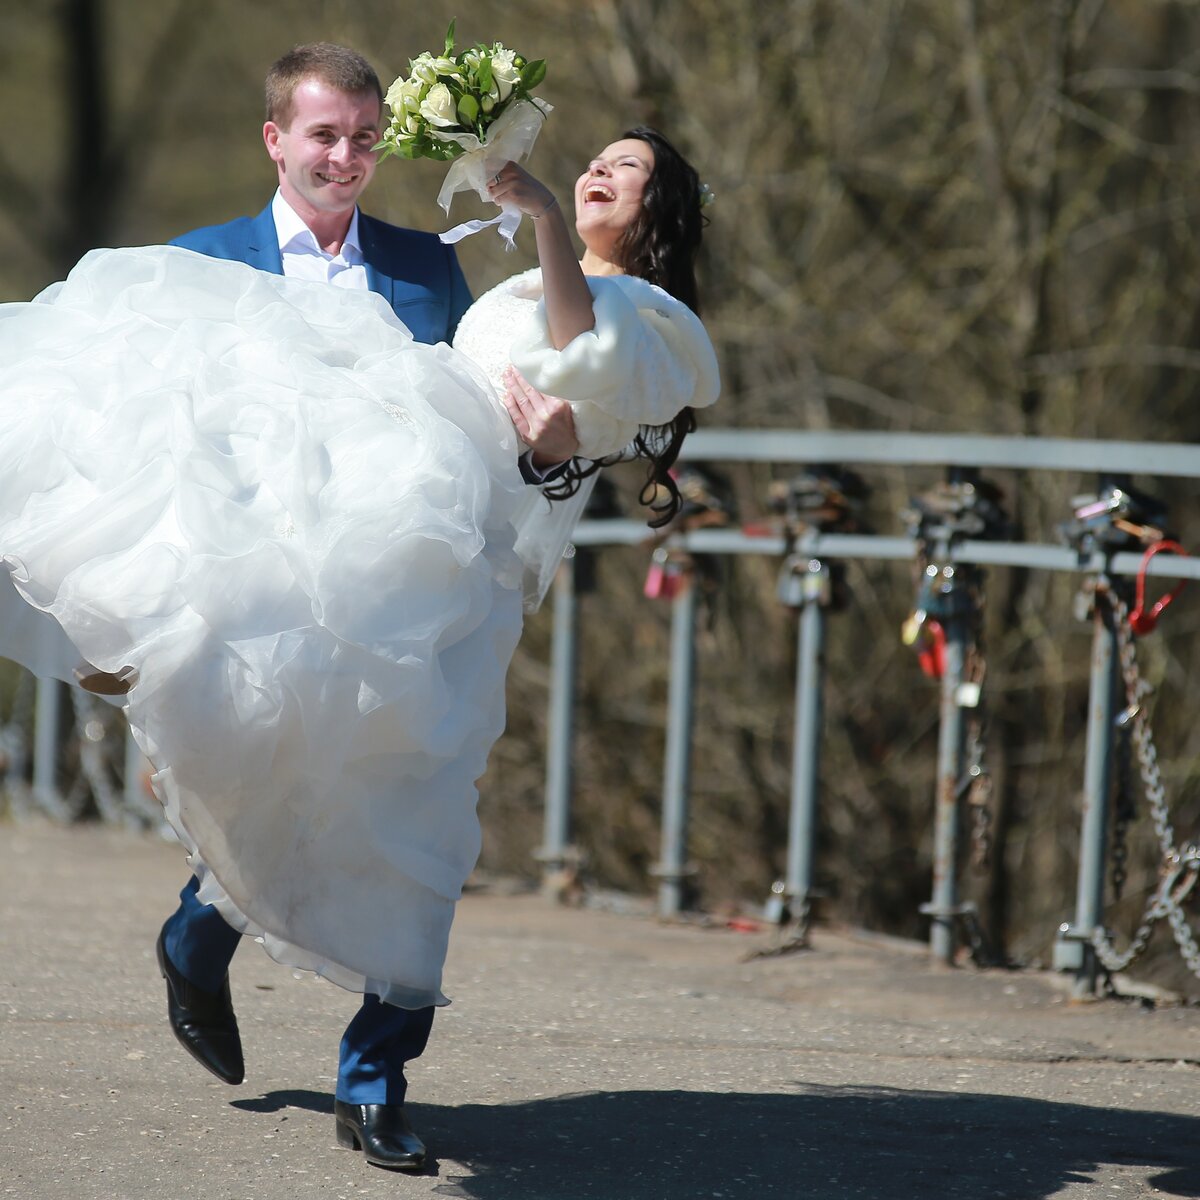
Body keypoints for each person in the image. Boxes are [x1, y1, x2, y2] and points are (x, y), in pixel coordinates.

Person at [0, 46, 718, 1173]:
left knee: (417, 808)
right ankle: (202, 927)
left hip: (420, 602)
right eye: (322, 136)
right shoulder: (194, 268)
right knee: (275, 779)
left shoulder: (433, 274)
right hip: (255, 609)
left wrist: (548, 456)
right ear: (276, 140)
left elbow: (504, 426)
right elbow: (136, 459)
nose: (345, 157)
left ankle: (375, 1079)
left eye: (364, 137)